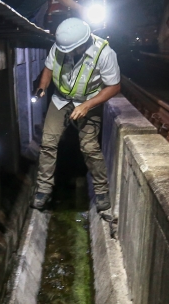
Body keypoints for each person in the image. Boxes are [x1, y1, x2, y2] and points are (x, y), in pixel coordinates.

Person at [31, 18, 121, 211]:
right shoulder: (60, 46)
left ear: (82, 44)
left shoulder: (104, 54)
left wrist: (88, 105)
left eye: (70, 49)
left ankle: (101, 191)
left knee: (89, 147)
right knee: (48, 142)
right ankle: (44, 189)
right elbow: (48, 68)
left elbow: (114, 86)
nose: (65, 52)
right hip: (60, 99)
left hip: (89, 101)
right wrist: (42, 87)